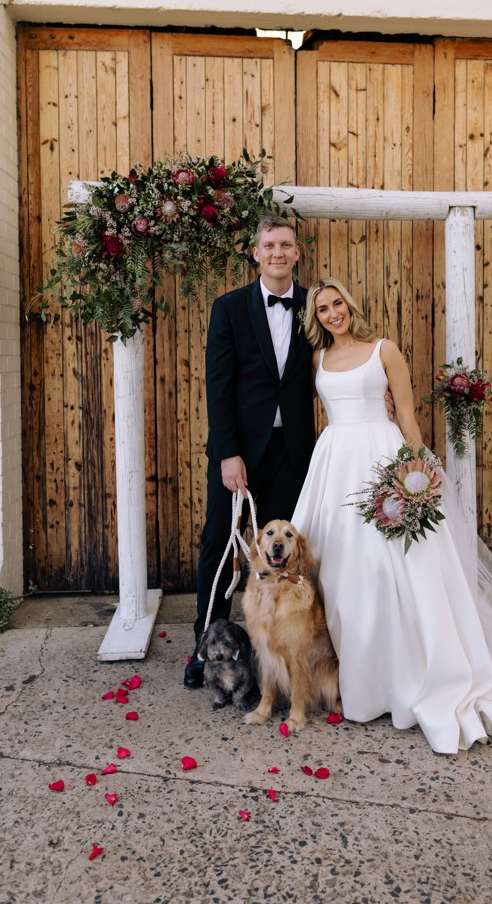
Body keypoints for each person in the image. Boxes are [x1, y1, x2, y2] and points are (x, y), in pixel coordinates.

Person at [291, 277, 492, 846]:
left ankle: (412, 678)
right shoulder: (318, 358)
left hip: (384, 462)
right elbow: (330, 418)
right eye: (323, 308)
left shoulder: (384, 349)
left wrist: (414, 479)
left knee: (398, 578)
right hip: (334, 465)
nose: (333, 313)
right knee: (342, 581)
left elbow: (408, 420)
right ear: (316, 316)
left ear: (352, 306)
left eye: (338, 304)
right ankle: (364, 685)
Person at [184, 216, 316, 689]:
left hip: (292, 451)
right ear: (256, 254)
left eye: (285, 245)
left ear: (297, 253)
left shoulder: (313, 306)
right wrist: (226, 453)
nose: (277, 252)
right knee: (219, 544)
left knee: (280, 556)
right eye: (269, 245)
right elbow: (217, 386)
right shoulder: (230, 308)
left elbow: (339, 358)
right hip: (238, 452)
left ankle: (273, 651)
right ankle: (205, 650)